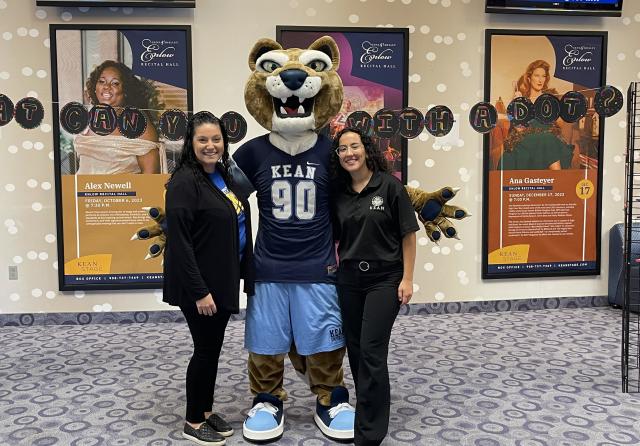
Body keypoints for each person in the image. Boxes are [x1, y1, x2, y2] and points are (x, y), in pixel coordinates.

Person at [162, 111, 254, 446]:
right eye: (203, 139)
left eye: (216, 139)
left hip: (222, 279)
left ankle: (205, 410)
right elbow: (180, 243)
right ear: (191, 143)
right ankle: (192, 420)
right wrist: (200, 291)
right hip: (200, 286)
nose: (211, 145)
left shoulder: (224, 176)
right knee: (204, 350)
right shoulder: (185, 182)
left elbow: (238, 224)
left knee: (211, 349)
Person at [330, 127, 419, 446]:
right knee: (355, 351)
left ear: (366, 150)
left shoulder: (390, 186)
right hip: (349, 279)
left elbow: (409, 235)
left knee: (371, 350)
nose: (349, 153)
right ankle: (368, 409)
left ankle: (370, 429)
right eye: (342, 149)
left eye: (354, 146)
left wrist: (407, 278)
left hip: (385, 279)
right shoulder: (338, 192)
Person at [74, 60, 166, 174]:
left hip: (124, 191)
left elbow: (150, 177)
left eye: (115, 83)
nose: (106, 87)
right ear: (95, 87)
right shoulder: (87, 120)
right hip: (84, 191)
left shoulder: (137, 123)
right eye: (102, 81)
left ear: (126, 90)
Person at [498, 59, 573, 171]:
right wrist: (517, 104)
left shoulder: (550, 98)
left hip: (547, 137)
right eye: (537, 75)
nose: (540, 80)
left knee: (548, 139)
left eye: (543, 76)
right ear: (529, 78)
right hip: (525, 139)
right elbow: (519, 129)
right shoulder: (521, 100)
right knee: (510, 156)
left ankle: (559, 181)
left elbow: (559, 124)